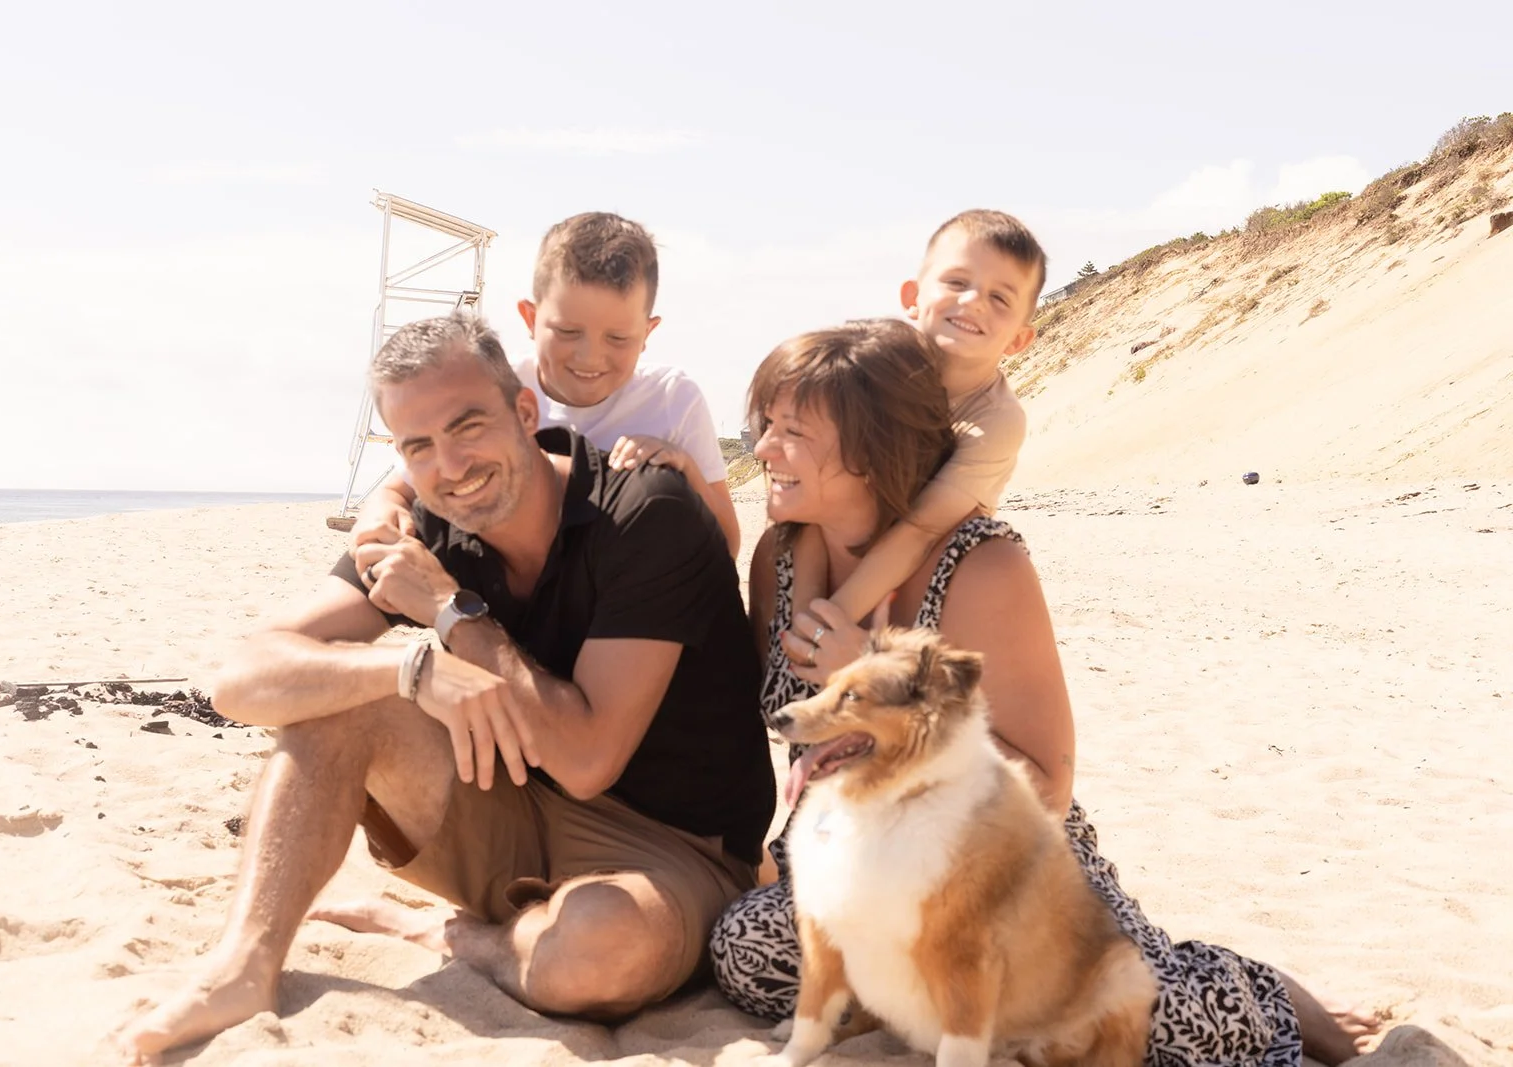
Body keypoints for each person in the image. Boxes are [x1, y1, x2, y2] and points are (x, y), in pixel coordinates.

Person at [708, 318, 1382, 1066]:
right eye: (765, 425)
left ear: (870, 451)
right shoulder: (781, 557)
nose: (763, 450)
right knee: (746, 951)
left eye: (791, 432)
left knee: (1165, 1032)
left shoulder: (981, 566)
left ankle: (1264, 989)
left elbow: (1048, 783)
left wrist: (874, 675)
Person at [114, 311, 775, 1063]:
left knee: (597, 948)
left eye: (468, 427)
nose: (451, 466)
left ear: (526, 412)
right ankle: (241, 967)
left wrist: (450, 613)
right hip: (513, 801)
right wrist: (410, 670)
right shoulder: (428, 528)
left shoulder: (645, 513)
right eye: (418, 446)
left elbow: (591, 759)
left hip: (674, 846)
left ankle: (455, 934)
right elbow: (240, 677)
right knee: (341, 707)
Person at [353, 211, 742, 557]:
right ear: (529, 319)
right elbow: (399, 488)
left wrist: (684, 466)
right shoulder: (499, 388)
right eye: (568, 331)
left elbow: (727, 544)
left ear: (647, 332)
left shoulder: (674, 399)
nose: (590, 356)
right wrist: (379, 513)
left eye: (618, 338)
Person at [785, 209, 1040, 673]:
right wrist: (806, 620)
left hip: (930, 571)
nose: (975, 301)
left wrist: (834, 618)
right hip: (838, 553)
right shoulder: (872, 369)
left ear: (1019, 340)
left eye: (1001, 298)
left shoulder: (996, 419)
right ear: (912, 297)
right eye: (957, 281)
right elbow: (804, 492)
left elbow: (922, 529)